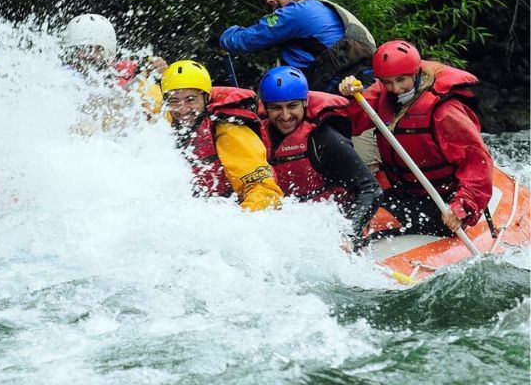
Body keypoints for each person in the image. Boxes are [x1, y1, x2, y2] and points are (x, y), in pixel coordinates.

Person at [338, 40, 493, 236]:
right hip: (406, 192)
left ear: (416, 73)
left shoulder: (445, 111)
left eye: (401, 80)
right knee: (358, 211)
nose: (395, 89)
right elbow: (348, 121)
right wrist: (350, 97)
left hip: (444, 198)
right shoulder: (381, 95)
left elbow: (476, 161)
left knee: (379, 222)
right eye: (387, 82)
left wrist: (462, 206)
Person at [258, 67, 381, 248]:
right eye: (276, 108)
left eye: (292, 106)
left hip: (332, 223)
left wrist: (349, 233)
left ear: (305, 103)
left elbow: (371, 188)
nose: (285, 116)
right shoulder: (256, 136)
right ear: (265, 108)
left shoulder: (324, 138)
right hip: (288, 228)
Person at [217, 0, 376, 93]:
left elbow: (246, 40)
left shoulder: (298, 12)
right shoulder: (319, 10)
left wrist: (223, 37)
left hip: (348, 90)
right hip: (360, 87)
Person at [161, 60, 282, 212]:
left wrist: (242, 220)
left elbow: (264, 190)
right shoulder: (164, 124)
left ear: (206, 97)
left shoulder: (228, 129)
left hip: (227, 212)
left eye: (191, 99)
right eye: (174, 100)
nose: (183, 109)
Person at [62, 13, 165, 118]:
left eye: (92, 49)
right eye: (79, 49)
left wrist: (160, 71)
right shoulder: (62, 77)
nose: (85, 55)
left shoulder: (126, 70)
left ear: (108, 51)